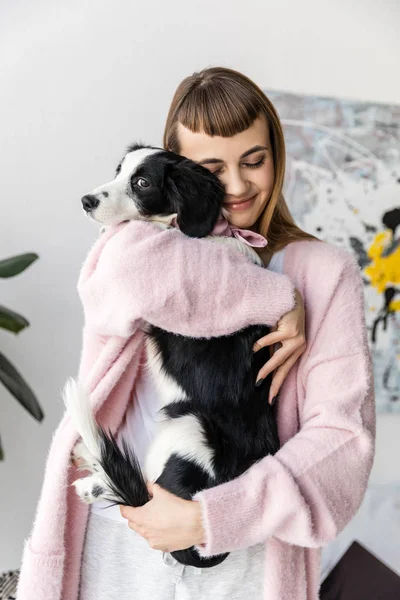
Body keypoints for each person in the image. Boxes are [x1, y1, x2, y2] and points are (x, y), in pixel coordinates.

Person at [16, 67, 375, 600]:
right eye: (213, 167)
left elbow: (342, 441)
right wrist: (280, 299)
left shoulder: (324, 272)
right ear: (182, 174)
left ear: (277, 154)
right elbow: (155, 281)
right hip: (115, 539)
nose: (234, 185)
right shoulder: (132, 245)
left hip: (246, 552)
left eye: (254, 160)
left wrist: (211, 517)